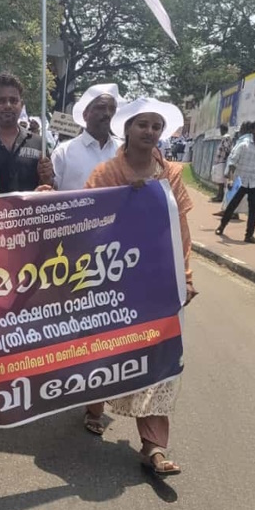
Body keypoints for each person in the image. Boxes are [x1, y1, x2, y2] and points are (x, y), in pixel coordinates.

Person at [83, 97, 195, 474]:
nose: (149, 131)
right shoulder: (105, 173)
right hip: (113, 279)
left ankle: (153, 446)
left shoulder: (171, 174)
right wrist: (125, 202)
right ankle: (94, 407)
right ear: (127, 128)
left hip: (158, 281)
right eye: (142, 124)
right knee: (105, 353)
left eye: (156, 126)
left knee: (157, 360)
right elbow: (88, 223)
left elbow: (181, 229)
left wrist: (186, 277)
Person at [0, 73, 53, 192]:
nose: (8, 106)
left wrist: (47, 179)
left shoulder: (38, 143)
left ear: (21, 104)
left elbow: (48, 188)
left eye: (14, 100)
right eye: (1, 101)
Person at [52, 84, 124, 191]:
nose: (107, 113)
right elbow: (51, 192)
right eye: (101, 108)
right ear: (85, 114)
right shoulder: (63, 153)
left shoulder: (124, 150)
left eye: (112, 109)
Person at [215, 120, 255, 244]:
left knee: (254, 210)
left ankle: (249, 235)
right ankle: (222, 226)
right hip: (240, 180)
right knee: (231, 206)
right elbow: (232, 163)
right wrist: (230, 180)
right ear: (252, 130)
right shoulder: (243, 145)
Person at [210, 123, 232, 203]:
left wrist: (226, 159)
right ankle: (219, 195)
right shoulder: (225, 138)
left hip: (222, 161)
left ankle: (220, 196)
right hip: (220, 161)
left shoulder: (226, 138)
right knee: (219, 180)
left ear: (223, 130)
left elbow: (227, 149)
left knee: (221, 181)